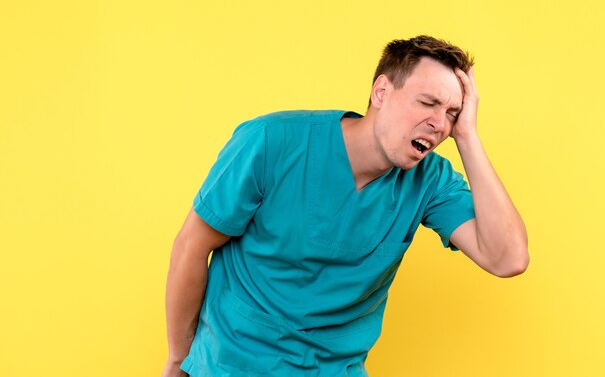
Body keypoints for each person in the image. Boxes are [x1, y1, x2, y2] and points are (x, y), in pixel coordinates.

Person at [161, 35, 529, 377]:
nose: (438, 123)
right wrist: (180, 358)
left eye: (452, 112)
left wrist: (468, 137)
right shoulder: (272, 142)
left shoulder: (430, 180)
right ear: (381, 91)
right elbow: (191, 246)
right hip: (234, 364)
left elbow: (507, 258)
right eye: (428, 102)